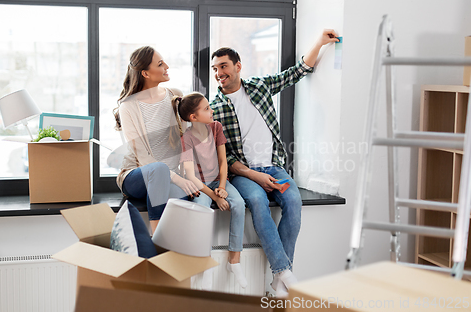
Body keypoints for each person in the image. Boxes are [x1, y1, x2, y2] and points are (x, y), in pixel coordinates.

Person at [209, 29, 339, 296]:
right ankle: (283, 272)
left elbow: (297, 72)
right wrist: (255, 177)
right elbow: (226, 157)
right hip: (244, 175)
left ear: (238, 66)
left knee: (293, 201)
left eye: (223, 66)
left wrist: (320, 42)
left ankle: (280, 277)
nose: (218, 73)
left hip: (273, 166)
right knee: (257, 201)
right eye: (214, 69)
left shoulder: (259, 87)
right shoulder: (215, 108)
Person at [114, 46, 200, 234]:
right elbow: (143, 158)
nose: (166, 66)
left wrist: (187, 177)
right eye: (160, 64)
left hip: (169, 180)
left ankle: (173, 252)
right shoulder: (128, 106)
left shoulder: (175, 96)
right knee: (159, 169)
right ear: (145, 73)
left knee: (182, 209)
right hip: (136, 176)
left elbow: (185, 141)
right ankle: (156, 240)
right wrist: (177, 178)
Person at [172, 92, 247, 289]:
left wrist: (222, 187)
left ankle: (235, 261)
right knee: (202, 211)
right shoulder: (186, 138)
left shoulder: (216, 128)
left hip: (218, 181)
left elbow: (223, 162)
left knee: (239, 204)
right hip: (201, 187)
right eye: (206, 108)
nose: (212, 110)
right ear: (193, 117)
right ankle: (205, 263)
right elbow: (190, 175)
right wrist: (214, 195)